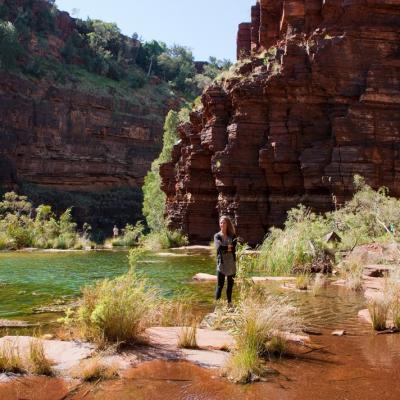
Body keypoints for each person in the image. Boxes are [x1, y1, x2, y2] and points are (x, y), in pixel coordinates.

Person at [214, 215, 237, 305]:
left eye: (224, 222)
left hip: (231, 263)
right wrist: (228, 248)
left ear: (227, 224)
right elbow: (219, 248)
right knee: (220, 286)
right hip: (222, 264)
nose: (222, 224)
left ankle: (229, 304)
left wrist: (225, 248)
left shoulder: (232, 235)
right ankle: (217, 306)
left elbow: (235, 248)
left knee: (230, 286)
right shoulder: (217, 236)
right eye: (221, 222)